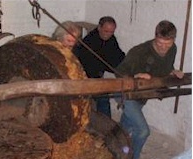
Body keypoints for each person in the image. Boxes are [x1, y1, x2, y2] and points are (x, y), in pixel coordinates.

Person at [115, 20, 184, 159]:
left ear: (173, 40)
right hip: (126, 94)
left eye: (167, 44)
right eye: (160, 43)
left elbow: (163, 68)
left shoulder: (173, 49)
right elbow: (119, 72)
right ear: (155, 36)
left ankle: (116, 150)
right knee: (142, 131)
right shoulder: (139, 51)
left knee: (125, 129)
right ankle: (133, 156)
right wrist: (136, 76)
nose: (164, 48)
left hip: (142, 96)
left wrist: (172, 71)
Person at [73, 16, 125, 118]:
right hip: (84, 78)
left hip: (97, 76)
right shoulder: (89, 42)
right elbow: (92, 66)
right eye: (106, 31)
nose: (108, 34)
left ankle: (106, 123)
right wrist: (110, 67)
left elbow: (118, 56)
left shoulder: (111, 39)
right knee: (103, 97)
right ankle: (105, 124)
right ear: (99, 28)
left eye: (111, 32)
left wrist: (125, 65)